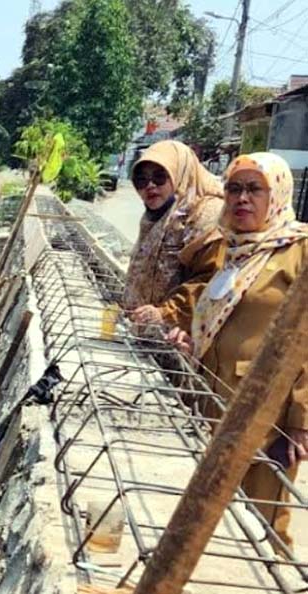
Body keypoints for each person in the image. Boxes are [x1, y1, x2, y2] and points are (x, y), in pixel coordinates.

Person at [167, 152, 308, 548]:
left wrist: (301, 419)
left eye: (254, 189)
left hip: (266, 410)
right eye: (234, 188)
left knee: (262, 519)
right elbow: (218, 314)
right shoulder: (233, 248)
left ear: (277, 193)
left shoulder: (298, 250)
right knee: (212, 511)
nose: (241, 198)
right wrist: (191, 340)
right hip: (212, 393)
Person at [124, 141, 224, 332]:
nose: (150, 186)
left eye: (160, 177)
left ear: (180, 173)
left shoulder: (205, 215)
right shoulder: (158, 215)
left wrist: (165, 313)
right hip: (148, 334)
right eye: (141, 180)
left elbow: (208, 281)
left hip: (181, 339)